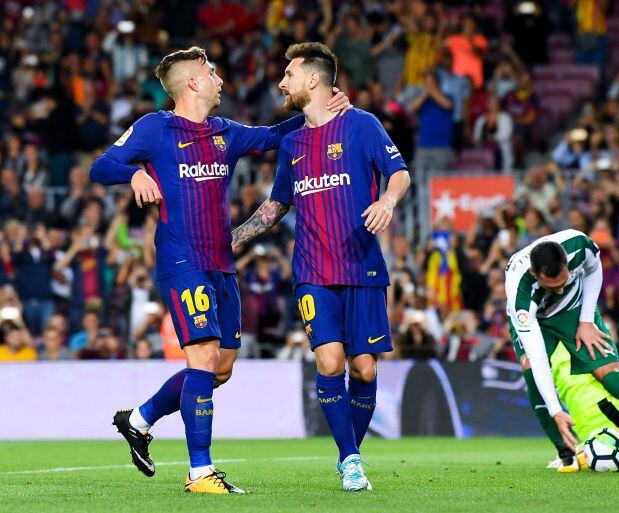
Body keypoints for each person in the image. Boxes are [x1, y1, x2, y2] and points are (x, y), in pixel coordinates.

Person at [89, 46, 350, 494]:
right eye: (211, 71)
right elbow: (101, 165)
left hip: (222, 264)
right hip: (182, 260)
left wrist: (319, 109)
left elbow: (272, 135)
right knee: (204, 357)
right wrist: (133, 175)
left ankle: (138, 419)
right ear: (193, 82)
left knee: (220, 368)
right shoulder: (156, 127)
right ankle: (200, 473)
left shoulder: (224, 132)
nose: (219, 79)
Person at [231, 42, 410, 492]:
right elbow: (277, 203)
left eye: (288, 74)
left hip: (363, 266)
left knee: (365, 369)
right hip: (313, 271)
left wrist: (388, 199)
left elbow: (400, 172)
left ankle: (350, 450)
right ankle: (350, 459)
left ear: (313, 79)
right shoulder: (291, 141)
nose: (281, 82)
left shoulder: (363, 125)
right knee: (330, 363)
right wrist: (233, 238)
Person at [505, 229, 619, 472]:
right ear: (535, 274)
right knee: (531, 372)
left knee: (610, 375)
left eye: (563, 281)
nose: (559, 290)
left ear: (567, 263)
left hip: (575, 309)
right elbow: (538, 358)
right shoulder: (520, 298)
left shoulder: (578, 244)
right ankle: (566, 453)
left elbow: (594, 269)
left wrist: (586, 319)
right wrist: (556, 410)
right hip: (538, 320)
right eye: (552, 286)